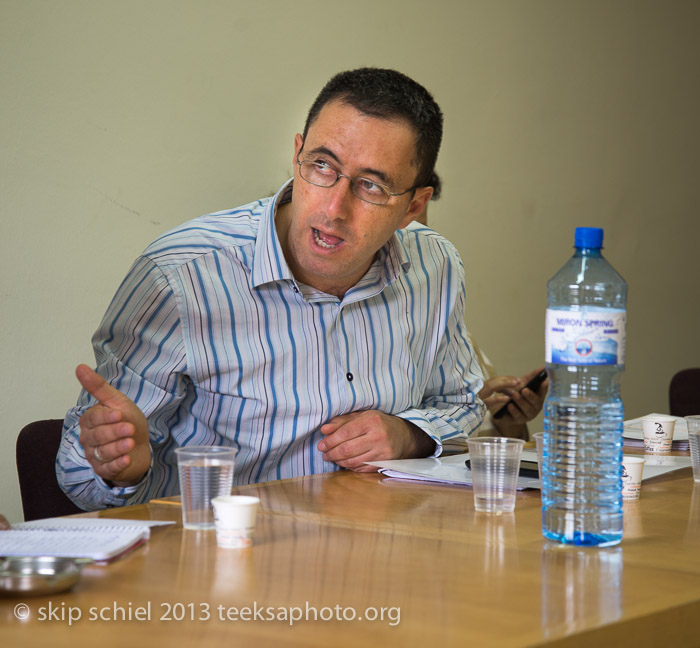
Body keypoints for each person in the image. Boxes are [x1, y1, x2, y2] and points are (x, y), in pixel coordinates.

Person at [57, 68, 486, 510]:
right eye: (322, 166)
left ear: (413, 206)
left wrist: (409, 433)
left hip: (371, 551)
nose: (334, 209)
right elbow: (77, 476)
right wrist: (121, 468)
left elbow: (465, 401)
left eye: (371, 186)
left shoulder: (435, 266)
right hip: (219, 558)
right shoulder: (182, 276)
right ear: (297, 154)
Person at [413, 177, 548, 440]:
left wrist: (509, 421)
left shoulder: (447, 328)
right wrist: (455, 411)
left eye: (421, 234)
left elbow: (499, 447)